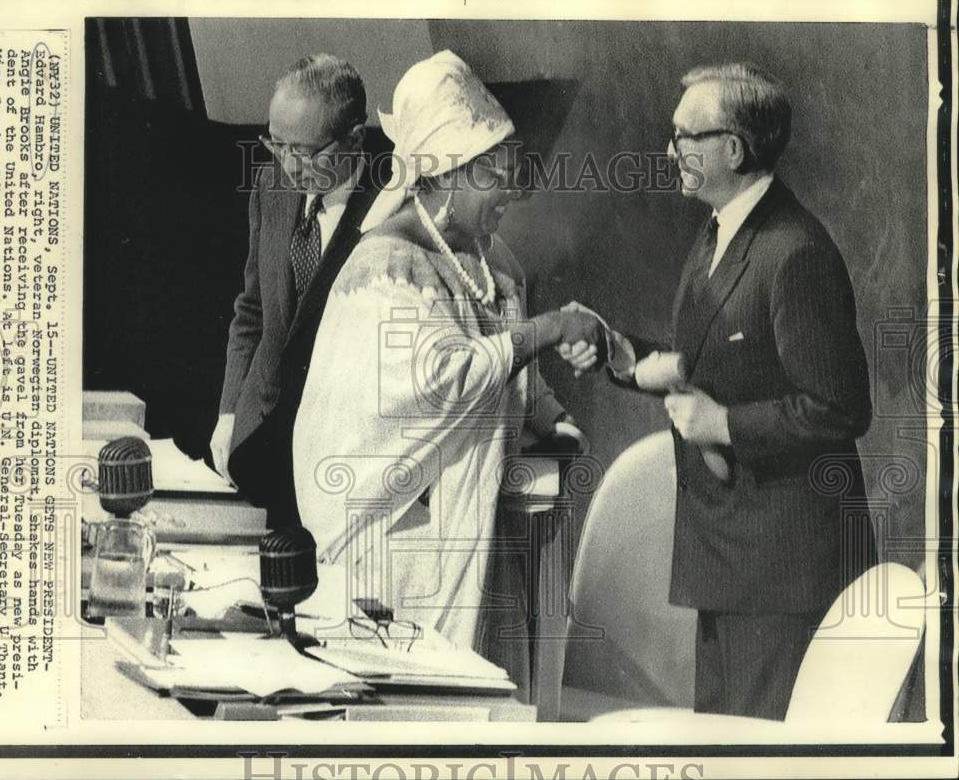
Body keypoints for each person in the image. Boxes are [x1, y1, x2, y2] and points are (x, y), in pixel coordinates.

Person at [566, 62, 877, 720]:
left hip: (781, 570)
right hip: (733, 554)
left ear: (732, 149)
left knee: (754, 750)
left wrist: (726, 426)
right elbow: (720, 358)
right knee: (724, 737)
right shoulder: (720, 229)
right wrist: (624, 357)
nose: (670, 150)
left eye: (685, 136)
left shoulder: (794, 253)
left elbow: (840, 407)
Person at [293, 50, 603, 648]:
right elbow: (446, 380)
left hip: (487, 535)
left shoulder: (493, 262)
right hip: (406, 550)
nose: (510, 189)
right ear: (441, 174)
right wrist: (552, 327)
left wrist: (555, 421)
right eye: (490, 173)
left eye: (510, 168)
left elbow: (516, 381)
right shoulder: (386, 268)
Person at [211, 54, 387, 526]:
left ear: (354, 138)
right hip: (262, 439)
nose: (290, 165)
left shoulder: (392, 209)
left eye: (306, 152)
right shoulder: (271, 185)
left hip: (342, 457)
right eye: (277, 144)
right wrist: (229, 414)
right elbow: (252, 312)